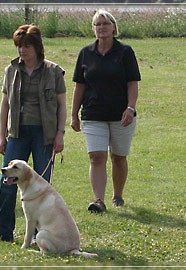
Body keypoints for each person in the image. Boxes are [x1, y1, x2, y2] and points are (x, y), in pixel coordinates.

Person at [0, 24, 67, 242]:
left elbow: (61, 105)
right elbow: (4, 105)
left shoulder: (54, 71)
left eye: (27, 46)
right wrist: (2, 135)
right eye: (19, 46)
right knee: (7, 183)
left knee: (42, 187)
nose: (22, 51)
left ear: (38, 47)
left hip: (44, 134)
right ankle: (2, 231)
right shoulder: (10, 70)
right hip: (17, 133)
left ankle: (41, 234)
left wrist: (60, 134)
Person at [71, 10, 141, 213]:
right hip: (93, 114)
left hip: (121, 116)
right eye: (97, 24)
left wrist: (130, 107)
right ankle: (98, 201)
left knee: (118, 157)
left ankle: (118, 195)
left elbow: (132, 83)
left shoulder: (125, 52)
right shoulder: (85, 53)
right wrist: (74, 114)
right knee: (96, 156)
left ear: (113, 27)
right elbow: (80, 86)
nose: (101, 27)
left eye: (104, 23)